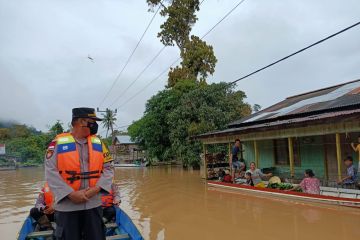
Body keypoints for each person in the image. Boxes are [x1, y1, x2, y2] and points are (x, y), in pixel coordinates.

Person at [45, 107, 114, 240]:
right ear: (81, 121)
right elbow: (50, 172)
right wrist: (70, 194)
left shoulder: (99, 143)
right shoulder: (56, 144)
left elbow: (109, 168)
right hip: (67, 208)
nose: (95, 125)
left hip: (93, 205)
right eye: (92, 121)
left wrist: (96, 189)